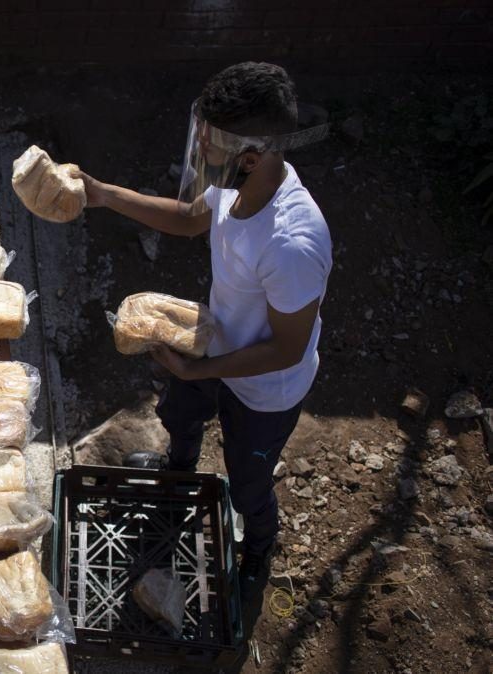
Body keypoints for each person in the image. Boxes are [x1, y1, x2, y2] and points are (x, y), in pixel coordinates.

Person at [75, 62, 332, 597]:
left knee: (248, 483)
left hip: (264, 385)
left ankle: (258, 549)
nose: (202, 153)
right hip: (214, 340)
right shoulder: (235, 185)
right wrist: (102, 193)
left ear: (252, 157)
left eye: (212, 146)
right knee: (180, 411)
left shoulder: (293, 243)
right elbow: (191, 218)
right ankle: (179, 469)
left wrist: (202, 368)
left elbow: (286, 348)